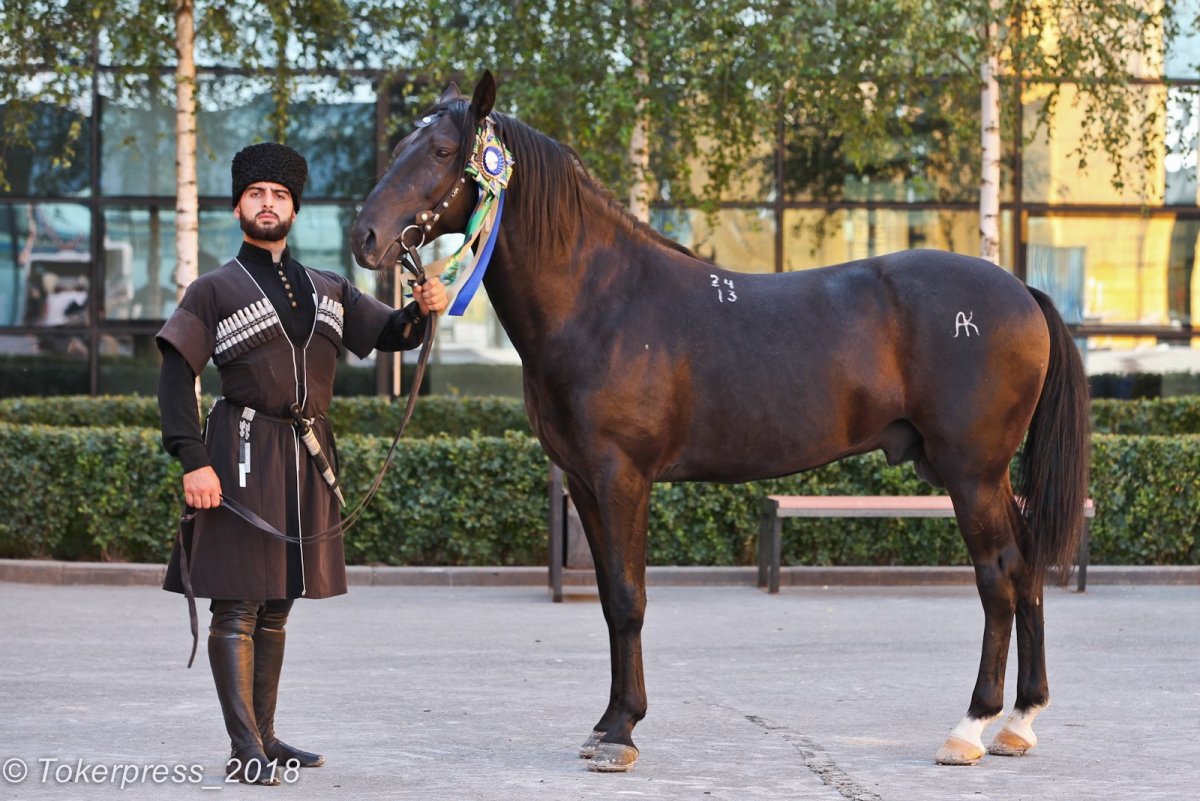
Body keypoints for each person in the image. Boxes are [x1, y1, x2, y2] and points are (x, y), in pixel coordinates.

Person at [156, 142, 446, 785]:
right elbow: (176, 378)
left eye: (279, 195)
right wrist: (193, 461)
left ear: (293, 208)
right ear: (237, 207)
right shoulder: (212, 290)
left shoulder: (328, 288)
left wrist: (422, 311)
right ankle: (244, 748)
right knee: (237, 607)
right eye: (256, 193)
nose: (268, 204)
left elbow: (390, 335)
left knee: (279, 603)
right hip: (241, 454)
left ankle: (265, 733)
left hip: (309, 456)